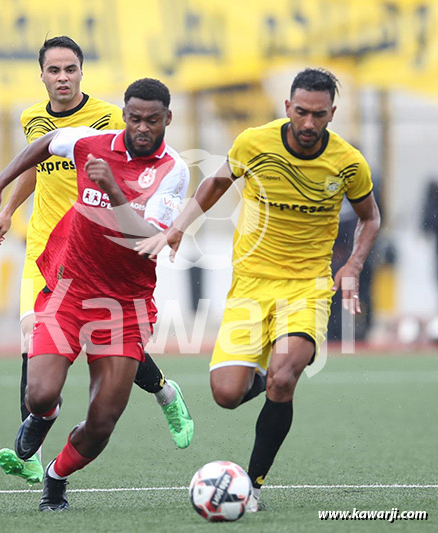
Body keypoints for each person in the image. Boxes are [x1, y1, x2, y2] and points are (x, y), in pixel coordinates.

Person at [135, 68, 381, 511]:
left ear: (332, 114)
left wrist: (353, 264)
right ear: (287, 108)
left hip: (306, 286)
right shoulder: (254, 143)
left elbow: (371, 217)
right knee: (226, 394)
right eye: (301, 112)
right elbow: (215, 183)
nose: (309, 123)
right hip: (250, 285)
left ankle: (254, 484)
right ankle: (270, 382)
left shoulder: (348, 163)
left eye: (319, 115)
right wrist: (178, 227)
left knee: (284, 379)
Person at [0, 37, 193, 487]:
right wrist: (6, 204)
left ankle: (163, 390)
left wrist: (116, 190)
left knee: (106, 382)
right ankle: (34, 446)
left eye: (69, 69)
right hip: (54, 250)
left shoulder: (117, 126)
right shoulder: (35, 119)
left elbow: (142, 224)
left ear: (81, 72)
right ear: (41, 75)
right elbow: (41, 160)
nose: (62, 78)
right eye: (53, 70)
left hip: (115, 271)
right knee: (32, 345)